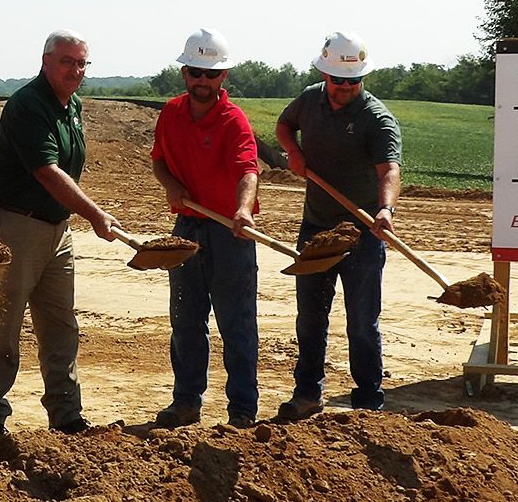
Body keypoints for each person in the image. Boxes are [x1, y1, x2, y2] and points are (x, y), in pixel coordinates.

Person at [0, 30, 117, 440]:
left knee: (60, 324)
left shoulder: (73, 105)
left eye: (82, 63)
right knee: (3, 321)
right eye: (67, 61)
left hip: (55, 227)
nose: (76, 70)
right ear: (45, 60)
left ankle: (66, 415)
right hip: (12, 224)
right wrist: (95, 214)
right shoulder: (27, 105)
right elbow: (47, 172)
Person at [274, 30, 402, 417]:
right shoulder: (310, 99)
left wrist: (385, 210)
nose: (345, 87)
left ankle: (367, 402)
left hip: (362, 234)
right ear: (324, 74)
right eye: (337, 79)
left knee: (362, 322)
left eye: (353, 80)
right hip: (316, 229)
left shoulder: (376, 118)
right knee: (310, 318)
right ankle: (307, 394)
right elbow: (284, 125)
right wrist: (293, 152)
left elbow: (389, 170)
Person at [150, 28, 261, 427]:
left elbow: (248, 170)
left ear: (222, 77)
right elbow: (159, 160)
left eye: (210, 74)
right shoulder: (171, 113)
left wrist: (243, 210)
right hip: (187, 228)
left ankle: (242, 410)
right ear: (184, 72)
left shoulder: (234, 121)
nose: (202, 80)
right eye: (196, 72)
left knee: (236, 323)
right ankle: (186, 402)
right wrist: (172, 186)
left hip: (229, 233)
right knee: (185, 320)